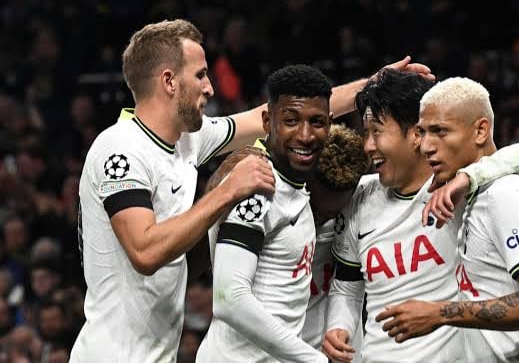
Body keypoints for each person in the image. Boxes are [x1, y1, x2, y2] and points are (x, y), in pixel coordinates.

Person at [71, 18, 432, 362]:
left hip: (157, 352)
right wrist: (226, 192)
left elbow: (272, 114)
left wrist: (370, 87)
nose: (210, 87)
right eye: (200, 75)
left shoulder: (186, 141)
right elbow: (145, 251)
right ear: (169, 81)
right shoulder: (120, 149)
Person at [322, 70, 519, 363]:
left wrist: (469, 177)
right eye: (365, 132)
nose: (368, 145)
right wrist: (338, 327)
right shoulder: (359, 197)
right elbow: (346, 285)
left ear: (414, 134)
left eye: (378, 131)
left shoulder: (460, 190)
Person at [378, 77, 519, 362]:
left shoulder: (508, 194)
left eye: (440, 131)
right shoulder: (470, 196)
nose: (426, 146)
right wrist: (470, 178)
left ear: (481, 130)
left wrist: (439, 313)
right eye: (423, 132)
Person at [196, 64, 333, 362]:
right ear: (267, 121)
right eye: (291, 120)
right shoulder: (256, 185)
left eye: (317, 122)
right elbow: (228, 299)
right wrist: (314, 360)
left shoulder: (295, 186)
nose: (306, 135)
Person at [303, 124, 370, 357]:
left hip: (344, 347)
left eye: (330, 215)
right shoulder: (274, 204)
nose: (320, 219)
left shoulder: (364, 203)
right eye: (316, 210)